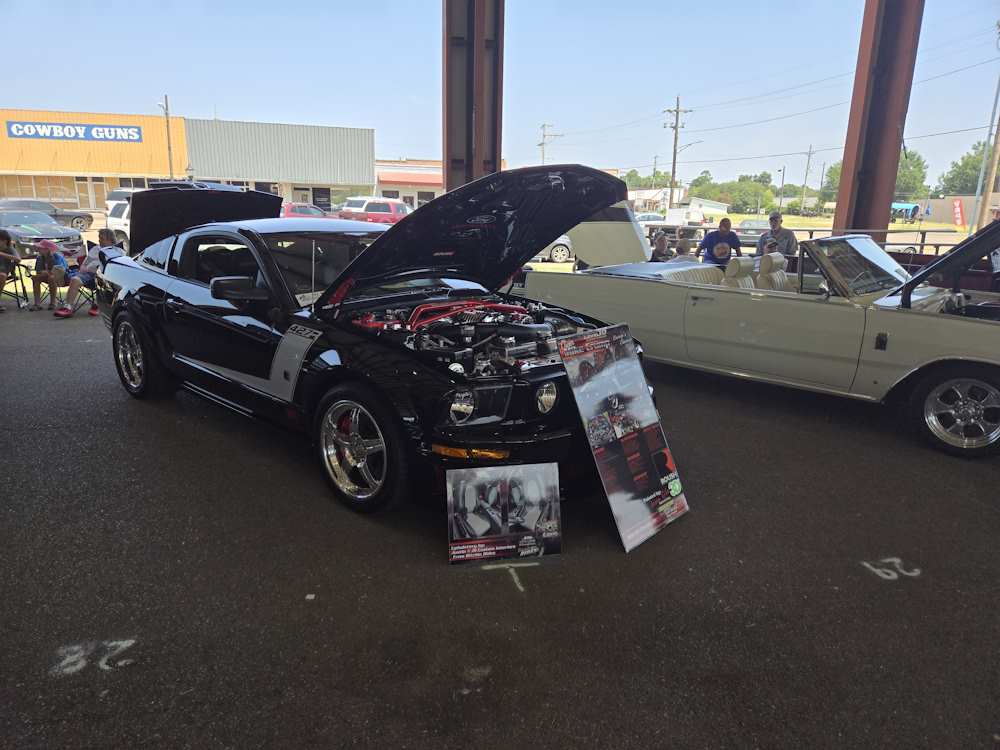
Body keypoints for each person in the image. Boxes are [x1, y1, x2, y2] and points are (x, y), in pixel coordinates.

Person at [54, 228, 115, 318]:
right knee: (75, 279)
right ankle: (68, 307)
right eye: (99, 237)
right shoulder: (95, 248)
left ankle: (98, 305)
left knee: (102, 282)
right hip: (89, 274)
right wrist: (83, 268)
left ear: (110, 239)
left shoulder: (117, 251)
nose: (99, 240)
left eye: (102, 238)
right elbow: (85, 264)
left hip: (106, 276)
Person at [29, 239, 69, 311]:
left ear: (47, 250)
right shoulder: (40, 258)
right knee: (35, 278)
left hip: (62, 277)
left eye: (40, 248)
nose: (38, 249)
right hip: (47, 276)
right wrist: (45, 273)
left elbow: (59, 271)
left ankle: (53, 303)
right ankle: (37, 304)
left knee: (51, 278)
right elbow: (39, 271)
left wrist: (47, 272)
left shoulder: (57, 257)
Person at [0, 229, 21, 313]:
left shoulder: (10, 249)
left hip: (3, 272)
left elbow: (18, 259)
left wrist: (1, 254)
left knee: (2, 276)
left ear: (4, 241)